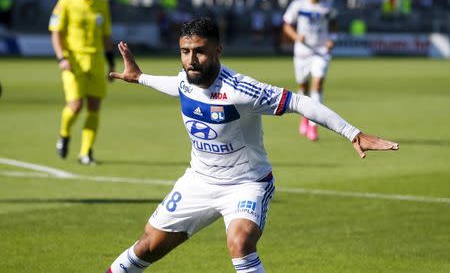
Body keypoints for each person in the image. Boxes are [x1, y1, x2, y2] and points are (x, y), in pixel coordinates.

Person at [105, 18, 398, 272]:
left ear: (217, 50)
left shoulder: (240, 90)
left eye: (200, 52)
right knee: (148, 247)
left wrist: (353, 133)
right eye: (185, 52)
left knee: (240, 242)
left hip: (246, 184)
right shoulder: (186, 81)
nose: (191, 60)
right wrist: (140, 77)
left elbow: (298, 101)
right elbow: (174, 84)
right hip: (198, 181)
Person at [49, 0, 115, 165]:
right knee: (76, 106)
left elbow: (106, 36)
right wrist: (62, 58)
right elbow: (56, 33)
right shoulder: (66, 2)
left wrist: (111, 64)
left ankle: (85, 153)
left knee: (94, 107)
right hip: (73, 61)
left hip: (95, 61)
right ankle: (64, 134)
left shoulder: (101, 5)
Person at [283, 0, 337, 141]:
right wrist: (296, 36)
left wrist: (332, 39)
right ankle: (304, 117)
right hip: (302, 53)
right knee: (303, 88)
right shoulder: (298, 5)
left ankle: (314, 126)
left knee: (318, 85)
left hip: (321, 52)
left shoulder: (327, 7)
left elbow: (334, 24)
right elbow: (286, 24)